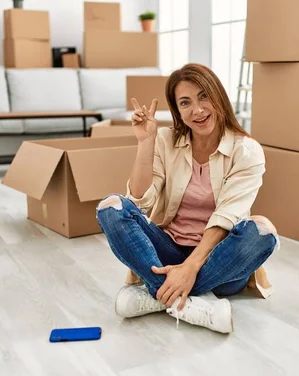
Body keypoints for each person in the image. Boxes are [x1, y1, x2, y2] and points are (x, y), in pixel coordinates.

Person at [95, 63, 278, 334]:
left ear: (219, 96)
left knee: (262, 231)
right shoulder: (165, 140)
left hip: (218, 260)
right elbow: (139, 199)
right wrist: (146, 142)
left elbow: (227, 215)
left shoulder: (246, 151)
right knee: (111, 207)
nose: (198, 110)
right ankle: (187, 302)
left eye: (204, 96)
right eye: (185, 103)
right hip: (166, 251)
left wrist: (191, 267)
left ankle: (158, 295)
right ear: (177, 111)